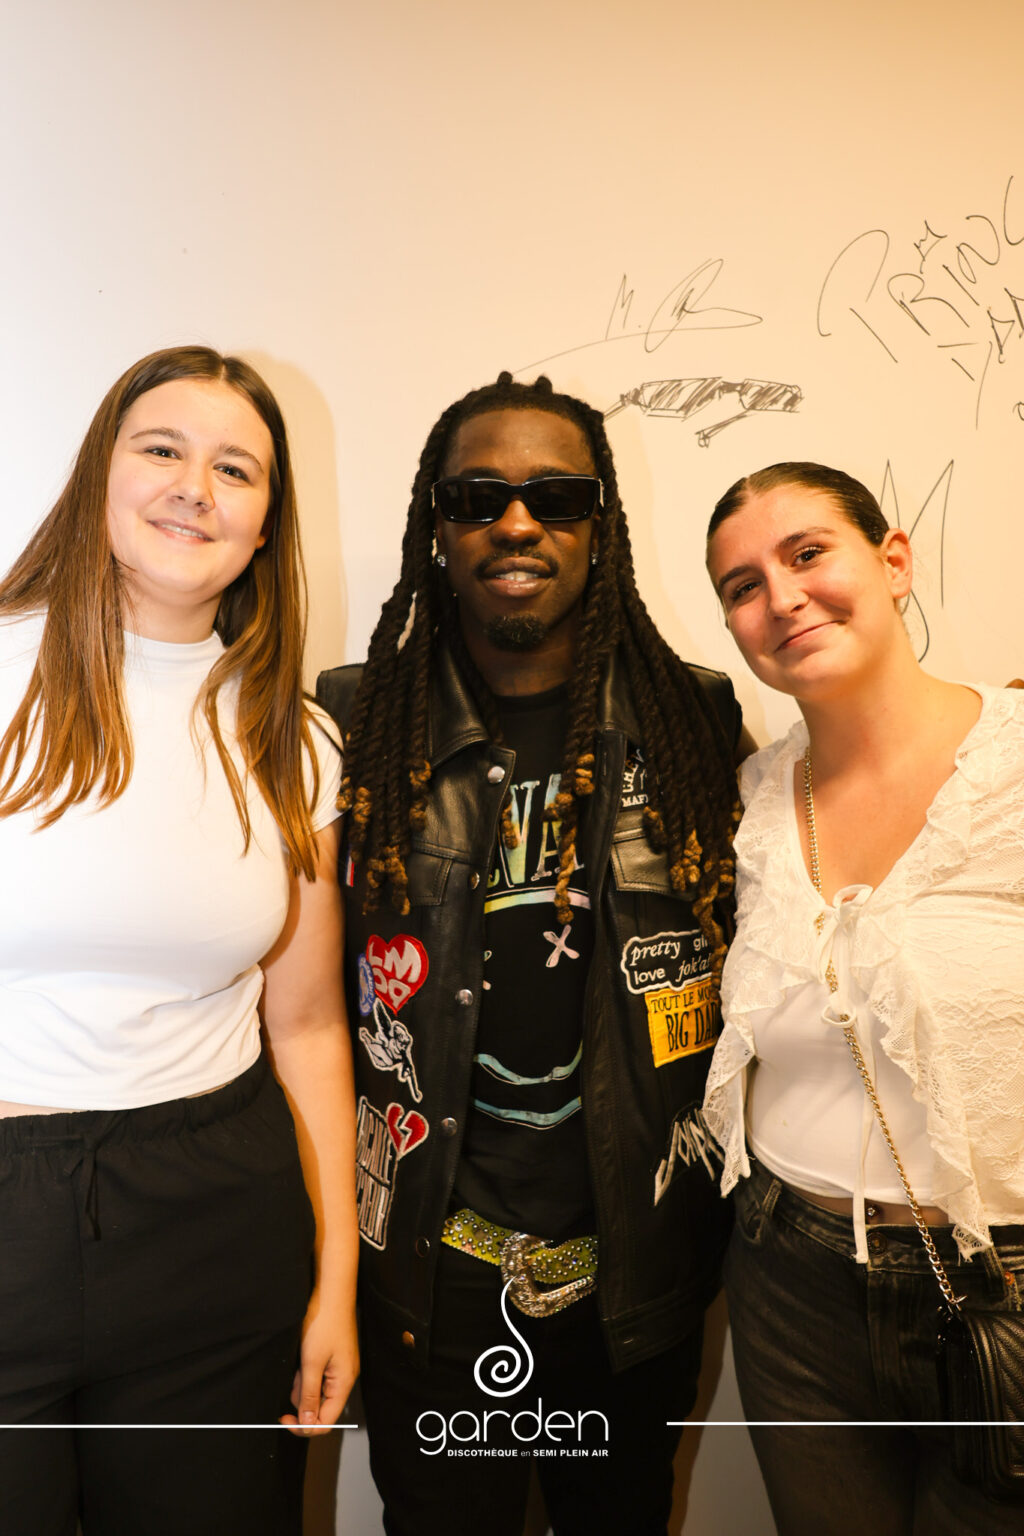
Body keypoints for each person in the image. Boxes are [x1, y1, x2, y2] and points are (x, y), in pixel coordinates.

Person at [317, 372, 744, 1536]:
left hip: (632, 1271)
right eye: (478, 497)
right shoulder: (350, 723)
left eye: (555, 497)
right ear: (437, 526)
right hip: (427, 1273)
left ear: (599, 526)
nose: (517, 524)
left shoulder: (693, 721)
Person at [0, 346, 359, 1536]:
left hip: (217, 1218)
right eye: (162, 449)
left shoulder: (295, 741)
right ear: (99, 474)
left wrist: (334, 1284)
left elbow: (308, 1027)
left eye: (235, 469)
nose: (194, 488)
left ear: (266, 524)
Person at [702, 461, 1024, 1536]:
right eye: (743, 586)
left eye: (807, 554)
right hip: (790, 1282)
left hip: (1003, 1281)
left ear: (893, 562)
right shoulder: (755, 799)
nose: (782, 598)